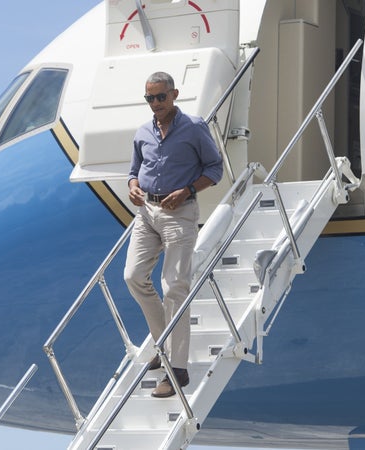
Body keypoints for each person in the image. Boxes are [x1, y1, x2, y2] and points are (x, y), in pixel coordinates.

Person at [124, 71, 223, 398]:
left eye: (160, 97)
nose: (155, 104)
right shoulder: (142, 132)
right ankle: (162, 343)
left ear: (174, 94)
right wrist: (133, 187)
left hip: (180, 213)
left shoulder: (193, 128)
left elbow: (214, 169)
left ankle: (177, 370)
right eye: (150, 98)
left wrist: (187, 190)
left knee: (174, 287)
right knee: (133, 276)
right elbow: (133, 171)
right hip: (146, 213)